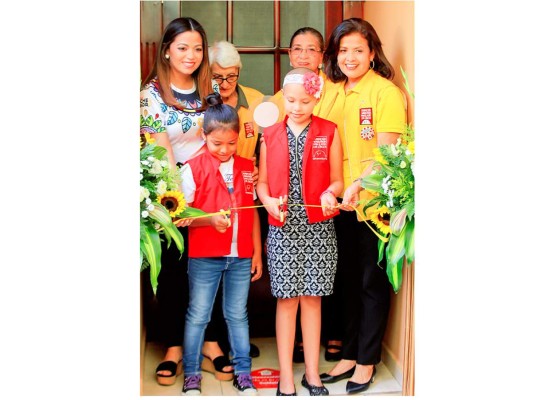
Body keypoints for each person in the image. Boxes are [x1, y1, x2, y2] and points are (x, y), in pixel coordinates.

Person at [140, 17, 233, 385]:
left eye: (197, 48)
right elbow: (160, 153)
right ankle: (174, 347)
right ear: (166, 50)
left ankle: (210, 343)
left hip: (213, 190)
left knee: (211, 268)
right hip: (171, 195)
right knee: (175, 271)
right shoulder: (150, 95)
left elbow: (223, 136)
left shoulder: (210, 88)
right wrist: (181, 203)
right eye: (182, 47)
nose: (190, 56)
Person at [317, 18, 407, 395]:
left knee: (371, 282)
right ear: (334, 56)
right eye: (343, 50)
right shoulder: (331, 90)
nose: (350, 57)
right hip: (340, 203)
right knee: (348, 281)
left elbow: (387, 153)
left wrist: (357, 184)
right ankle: (350, 354)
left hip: (374, 204)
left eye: (358, 50)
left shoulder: (385, 93)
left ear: (372, 53)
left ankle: (367, 361)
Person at [256, 68, 344, 396]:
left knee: (312, 300)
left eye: (304, 101)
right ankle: (285, 377)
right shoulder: (271, 135)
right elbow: (263, 183)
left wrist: (329, 193)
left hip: (319, 228)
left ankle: (312, 374)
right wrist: (266, 202)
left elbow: (337, 179)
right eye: (291, 100)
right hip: (282, 229)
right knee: (287, 300)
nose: (296, 107)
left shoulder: (329, 131)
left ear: (316, 98)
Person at [179, 93, 263, 395]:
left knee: (237, 314)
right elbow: (181, 216)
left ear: (238, 137)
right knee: (199, 314)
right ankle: (191, 374)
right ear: (205, 136)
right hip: (205, 254)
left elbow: (252, 212)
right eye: (217, 144)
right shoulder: (191, 167)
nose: (225, 150)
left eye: (231, 143)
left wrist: (256, 253)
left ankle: (244, 373)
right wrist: (209, 220)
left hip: (240, 254)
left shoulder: (245, 166)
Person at [208, 39, 265, 358]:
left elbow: (268, 143)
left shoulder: (256, 101)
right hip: (210, 197)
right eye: (218, 77)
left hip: (245, 198)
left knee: (242, 268)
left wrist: (261, 171)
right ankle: (213, 340)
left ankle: (236, 336)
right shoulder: (204, 103)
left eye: (231, 76)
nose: (226, 84)